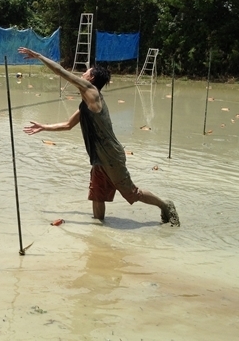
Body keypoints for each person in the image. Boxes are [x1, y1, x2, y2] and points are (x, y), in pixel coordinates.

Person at [18, 47, 180, 226]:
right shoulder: (86, 104)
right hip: (99, 158)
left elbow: (61, 72)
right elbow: (68, 125)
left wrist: (39, 56)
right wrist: (43, 127)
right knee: (97, 195)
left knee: (132, 193)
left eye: (86, 73)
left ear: (91, 79)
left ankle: (165, 205)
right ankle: (100, 230)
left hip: (111, 156)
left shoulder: (92, 92)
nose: (82, 74)